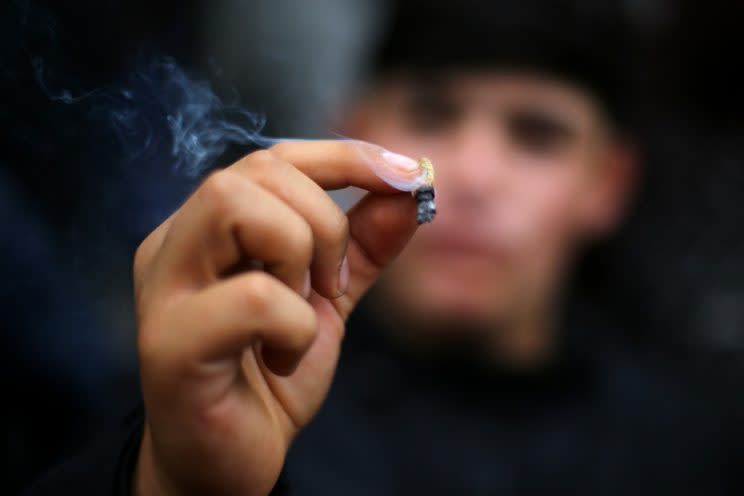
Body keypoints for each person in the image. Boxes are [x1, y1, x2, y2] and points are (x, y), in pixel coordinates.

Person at [24, 1, 744, 495]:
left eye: (537, 135)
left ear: (610, 183)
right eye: (432, 114)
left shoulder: (700, 443)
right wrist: (171, 481)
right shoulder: (207, 384)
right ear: (353, 132)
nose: (474, 175)